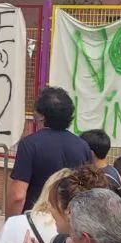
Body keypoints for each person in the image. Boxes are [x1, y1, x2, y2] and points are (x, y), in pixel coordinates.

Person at [8, 86, 93, 215]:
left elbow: (18, 195)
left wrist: (10, 224)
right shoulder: (83, 146)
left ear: (42, 116)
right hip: (70, 221)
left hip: (36, 220)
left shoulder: (29, 144)